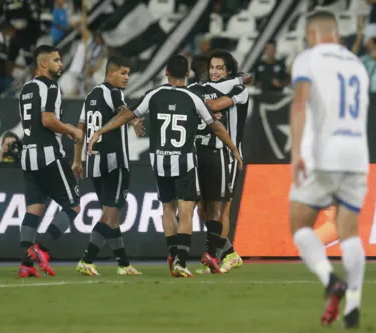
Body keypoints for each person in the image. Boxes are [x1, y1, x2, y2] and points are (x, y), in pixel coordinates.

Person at [88, 54, 243, 278]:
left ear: (166, 73)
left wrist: (100, 131)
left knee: (168, 209)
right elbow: (216, 126)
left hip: (160, 162)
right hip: (184, 162)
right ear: (187, 74)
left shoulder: (154, 95)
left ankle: (172, 255)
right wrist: (234, 149)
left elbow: (126, 115)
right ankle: (181, 260)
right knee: (186, 210)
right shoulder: (193, 98)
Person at [288, 10, 369, 328]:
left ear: (311, 34)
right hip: (357, 154)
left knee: (299, 225)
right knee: (349, 233)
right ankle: (354, 304)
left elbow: (299, 104)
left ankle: (329, 280)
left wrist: (296, 153)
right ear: (337, 33)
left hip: (324, 154)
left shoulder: (308, 59)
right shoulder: (358, 65)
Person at [72, 56, 144, 276]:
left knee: (112, 217)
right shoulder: (113, 92)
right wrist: (133, 122)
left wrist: (77, 160)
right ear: (110, 73)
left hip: (94, 163)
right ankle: (87, 258)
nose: (126, 78)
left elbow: (80, 129)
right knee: (110, 215)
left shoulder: (91, 95)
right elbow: (123, 109)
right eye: (123, 73)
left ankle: (123, 264)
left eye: (128, 73)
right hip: (114, 162)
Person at [17, 45, 83, 278]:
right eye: (56, 60)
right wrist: (72, 131)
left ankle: (26, 265)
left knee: (33, 210)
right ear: (43, 64)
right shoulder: (50, 87)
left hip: (28, 156)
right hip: (48, 155)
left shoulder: (26, 89)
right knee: (74, 205)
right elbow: (47, 120)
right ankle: (41, 249)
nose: (61, 65)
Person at [187, 52, 252, 275]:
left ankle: (214, 256)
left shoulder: (238, 90)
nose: (214, 72)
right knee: (204, 211)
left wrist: (197, 101)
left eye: (220, 68)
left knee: (222, 208)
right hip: (210, 154)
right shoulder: (207, 88)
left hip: (230, 155)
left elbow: (214, 105)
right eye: (212, 67)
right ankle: (229, 253)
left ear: (229, 71)